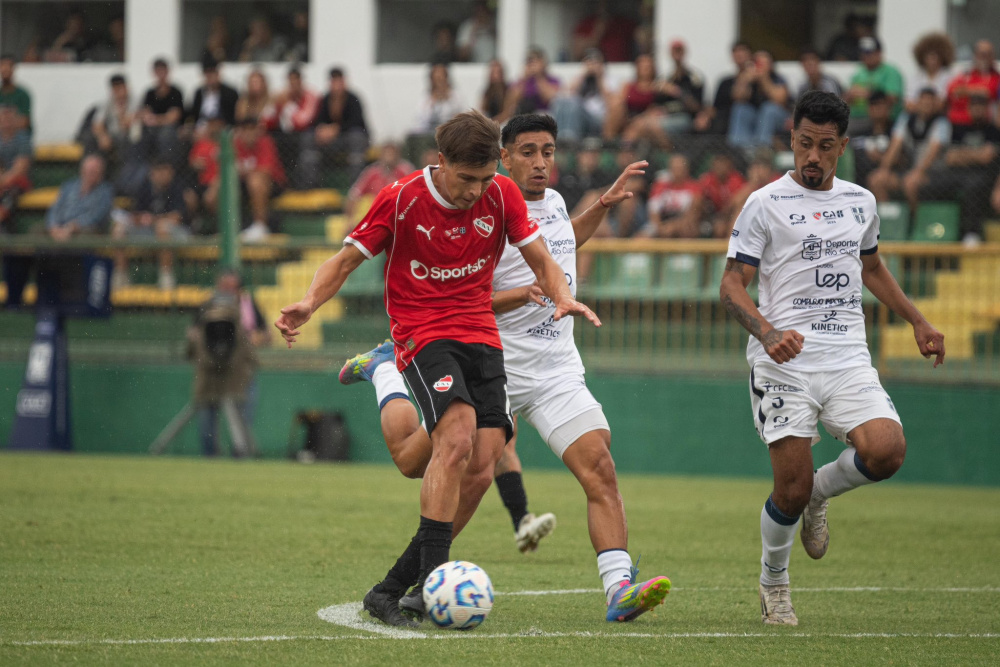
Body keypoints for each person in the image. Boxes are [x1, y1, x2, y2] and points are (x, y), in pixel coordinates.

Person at [334, 112, 669, 624]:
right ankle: (384, 371)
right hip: (492, 359)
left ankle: (618, 588)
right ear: (503, 158)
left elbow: (562, 245)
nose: (541, 163)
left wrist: (600, 205)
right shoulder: (484, 209)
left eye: (549, 151)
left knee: (599, 463)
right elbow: (464, 300)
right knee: (427, 465)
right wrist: (526, 294)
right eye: (528, 152)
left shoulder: (553, 203)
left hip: (556, 367)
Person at [274, 110, 599, 628]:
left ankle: (387, 590)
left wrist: (563, 297)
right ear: (440, 162)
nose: (476, 191)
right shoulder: (400, 200)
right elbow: (342, 262)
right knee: (457, 438)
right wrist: (308, 303)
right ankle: (433, 582)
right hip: (422, 330)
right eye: (466, 179)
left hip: (480, 331)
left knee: (484, 453)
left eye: (486, 177)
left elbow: (542, 258)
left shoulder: (502, 193)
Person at [720, 90, 945, 626]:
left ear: (843, 145)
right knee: (788, 491)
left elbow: (872, 269)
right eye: (804, 144)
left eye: (825, 146)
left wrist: (917, 320)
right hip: (783, 362)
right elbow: (731, 286)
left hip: (846, 354)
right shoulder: (764, 202)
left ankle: (822, 492)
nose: (813, 157)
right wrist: (767, 331)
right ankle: (774, 580)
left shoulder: (860, 202)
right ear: (790, 139)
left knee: (888, 450)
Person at [193, 269, 270, 457]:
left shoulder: (248, 305)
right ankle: (210, 455)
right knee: (207, 413)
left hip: (240, 369)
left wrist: (250, 340)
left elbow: (266, 334)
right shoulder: (207, 306)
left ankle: (241, 452)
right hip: (211, 368)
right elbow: (194, 333)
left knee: (243, 414)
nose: (227, 292)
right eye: (223, 287)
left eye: (231, 288)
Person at [867, 88, 951, 212]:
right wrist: (884, 169)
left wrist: (918, 172)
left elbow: (933, 152)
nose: (926, 106)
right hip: (909, 171)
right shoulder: (907, 119)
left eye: (929, 103)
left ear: (935, 104)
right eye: (923, 102)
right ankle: (889, 220)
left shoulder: (942, 122)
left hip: (934, 173)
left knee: (910, 184)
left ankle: (915, 222)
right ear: (917, 103)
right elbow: (895, 145)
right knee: (876, 180)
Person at [111, 158, 189, 290]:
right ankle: (121, 275)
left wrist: (154, 219)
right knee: (119, 229)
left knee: (162, 227)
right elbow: (135, 214)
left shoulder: (176, 186)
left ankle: (166, 277)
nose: (162, 175)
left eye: (165, 171)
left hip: (179, 233)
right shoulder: (145, 186)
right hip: (149, 231)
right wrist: (140, 218)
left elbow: (177, 218)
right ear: (152, 173)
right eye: (158, 171)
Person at [306, 67, 370, 186]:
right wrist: (322, 130)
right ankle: (311, 185)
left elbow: (357, 121)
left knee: (356, 137)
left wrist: (337, 129)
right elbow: (317, 120)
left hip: (350, 141)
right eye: (333, 82)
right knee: (309, 138)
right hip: (330, 142)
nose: (336, 86)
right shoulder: (325, 99)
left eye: (339, 82)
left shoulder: (353, 99)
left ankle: (356, 186)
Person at [233, 117, 286, 242]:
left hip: (273, 184)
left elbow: (265, 171)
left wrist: (244, 171)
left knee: (255, 181)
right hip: (244, 184)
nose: (249, 133)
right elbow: (231, 170)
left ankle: (260, 226)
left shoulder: (265, 142)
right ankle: (226, 227)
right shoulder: (235, 144)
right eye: (245, 130)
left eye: (252, 129)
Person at [552, 48, 619, 143]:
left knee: (575, 103)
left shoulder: (609, 80)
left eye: (596, 62)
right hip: (580, 118)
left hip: (597, 120)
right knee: (560, 101)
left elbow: (610, 103)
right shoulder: (581, 78)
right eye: (589, 62)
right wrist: (584, 74)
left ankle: (570, 139)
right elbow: (568, 94)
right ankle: (561, 137)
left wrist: (598, 76)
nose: (592, 65)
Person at [728, 49, 791, 149]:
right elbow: (736, 97)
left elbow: (780, 99)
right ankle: (741, 147)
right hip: (755, 117)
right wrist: (744, 80)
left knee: (769, 109)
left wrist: (764, 79)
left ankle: (762, 147)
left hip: (778, 118)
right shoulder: (749, 79)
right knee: (740, 108)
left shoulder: (777, 78)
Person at [45, 154, 114, 241]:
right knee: (37, 231)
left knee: (85, 235)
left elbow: (96, 216)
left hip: (83, 229)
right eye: (88, 171)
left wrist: (73, 227)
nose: (90, 175)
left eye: (94, 172)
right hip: (60, 227)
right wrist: (53, 226)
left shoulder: (105, 191)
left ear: (101, 173)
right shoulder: (69, 186)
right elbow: (55, 208)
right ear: (82, 171)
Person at [343, 142, 414, 221]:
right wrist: (349, 221)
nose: (389, 158)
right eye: (386, 154)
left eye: (392, 154)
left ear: (398, 156)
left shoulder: (406, 170)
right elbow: (354, 195)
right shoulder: (372, 172)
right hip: (377, 214)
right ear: (381, 156)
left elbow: (415, 193)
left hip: (401, 212)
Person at [694, 42, 752, 137]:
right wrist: (704, 115)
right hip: (722, 120)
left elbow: (739, 96)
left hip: (740, 121)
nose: (739, 54)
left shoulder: (755, 80)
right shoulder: (725, 82)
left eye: (742, 50)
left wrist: (745, 77)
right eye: (735, 51)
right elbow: (715, 106)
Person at [845, 37, 904, 128]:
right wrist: (850, 96)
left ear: (879, 53)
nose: (865, 56)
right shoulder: (858, 73)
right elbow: (845, 101)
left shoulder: (890, 72)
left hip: (884, 121)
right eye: (862, 53)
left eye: (869, 53)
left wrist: (867, 94)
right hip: (856, 117)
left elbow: (893, 98)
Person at [945, 40, 1000, 131]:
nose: (984, 58)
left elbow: (989, 92)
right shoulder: (966, 73)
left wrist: (964, 91)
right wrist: (976, 91)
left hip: (984, 125)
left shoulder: (996, 76)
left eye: (988, 54)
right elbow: (952, 89)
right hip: (956, 122)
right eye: (981, 54)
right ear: (975, 55)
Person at [644, 154, 703, 238]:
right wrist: (660, 228)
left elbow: (693, 214)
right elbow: (653, 211)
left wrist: (674, 226)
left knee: (687, 229)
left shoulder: (694, 187)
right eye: (674, 168)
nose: (677, 171)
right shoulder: (660, 185)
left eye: (680, 168)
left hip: (684, 223)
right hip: (662, 222)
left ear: (686, 170)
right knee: (641, 238)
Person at [139, 58, 184, 161]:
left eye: (163, 71)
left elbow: (174, 116)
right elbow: (146, 113)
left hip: (170, 128)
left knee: (165, 135)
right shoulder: (150, 93)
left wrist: (156, 120)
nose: (161, 74)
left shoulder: (175, 92)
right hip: (153, 128)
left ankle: (167, 165)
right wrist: (157, 119)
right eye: (158, 71)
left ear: (168, 72)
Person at [570, 0, 635, 63]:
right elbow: (576, 52)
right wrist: (598, 33)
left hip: (620, 69)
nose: (606, 6)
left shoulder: (623, 23)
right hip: (594, 70)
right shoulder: (586, 23)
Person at [0, 103, 32, 232]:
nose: (6, 121)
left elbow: (20, 169)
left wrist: (3, 181)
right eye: (3, 117)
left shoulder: (23, 139)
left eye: (9, 118)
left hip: (18, 183)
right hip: (2, 182)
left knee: (10, 195)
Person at [700, 153, 747, 238]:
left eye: (723, 164)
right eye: (717, 164)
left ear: (729, 166)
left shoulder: (735, 180)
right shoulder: (707, 179)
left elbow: (734, 204)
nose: (720, 167)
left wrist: (722, 218)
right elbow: (700, 199)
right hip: (711, 215)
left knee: (721, 228)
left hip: (729, 216)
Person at [503, 48, 560, 119]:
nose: (533, 65)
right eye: (530, 62)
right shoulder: (521, 81)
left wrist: (538, 76)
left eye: (536, 62)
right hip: (523, 115)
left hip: (544, 116)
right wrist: (524, 79)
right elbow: (509, 104)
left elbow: (549, 98)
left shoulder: (552, 80)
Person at [411, 63, 466, 135]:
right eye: (437, 79)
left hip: (450, 133)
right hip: (429, 132)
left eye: (441, 79)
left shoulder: (455, 96)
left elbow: (462, 115)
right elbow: (420, 118)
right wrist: (433, 102)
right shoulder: (426, 97)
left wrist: (447, 100)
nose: (439, 82)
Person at [906, 33, 954, 113]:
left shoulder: (950, 77)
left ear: (942, 57)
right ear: (922, 57)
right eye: (929, 56)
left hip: (940, 116)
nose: (932, 59)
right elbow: (908, 103)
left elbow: (944, 103)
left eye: (936, 56)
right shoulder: (915, 77)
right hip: (916, 116)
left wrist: (925, 107)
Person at [188, 57, 239, 131]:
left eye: (212, 73)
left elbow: (232, 116)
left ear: (218, 74)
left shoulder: (230, 93)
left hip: (222, 128)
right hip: (201, 127)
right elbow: (194, 115)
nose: (209, 77)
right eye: (207, 74)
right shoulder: (199, 93)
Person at [0, 54, 31, 132]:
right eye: (2, 66)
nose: (5, 69)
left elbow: (25, 122)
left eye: (8, 66)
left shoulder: (22, 94)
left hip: (17, 135)